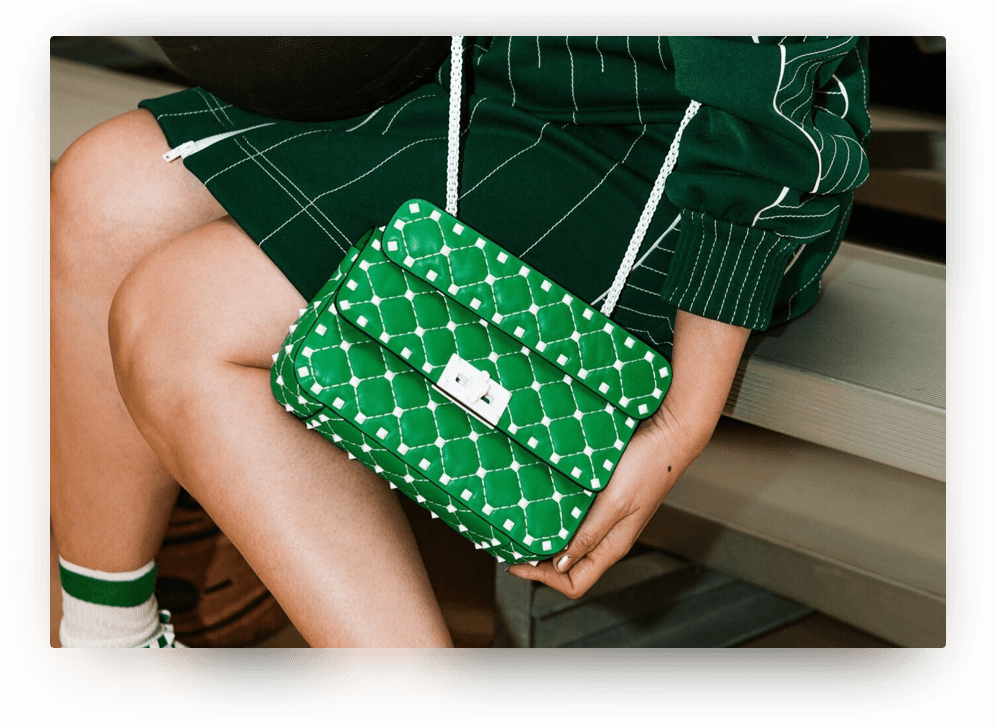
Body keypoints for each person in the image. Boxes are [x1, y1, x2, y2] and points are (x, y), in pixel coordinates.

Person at [51, 36, 870, 648]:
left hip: (675, 162)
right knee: (102, 193)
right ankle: (108, 652)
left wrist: (682, 419)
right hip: (482, 82)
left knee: (184, 316)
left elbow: (772, 106)